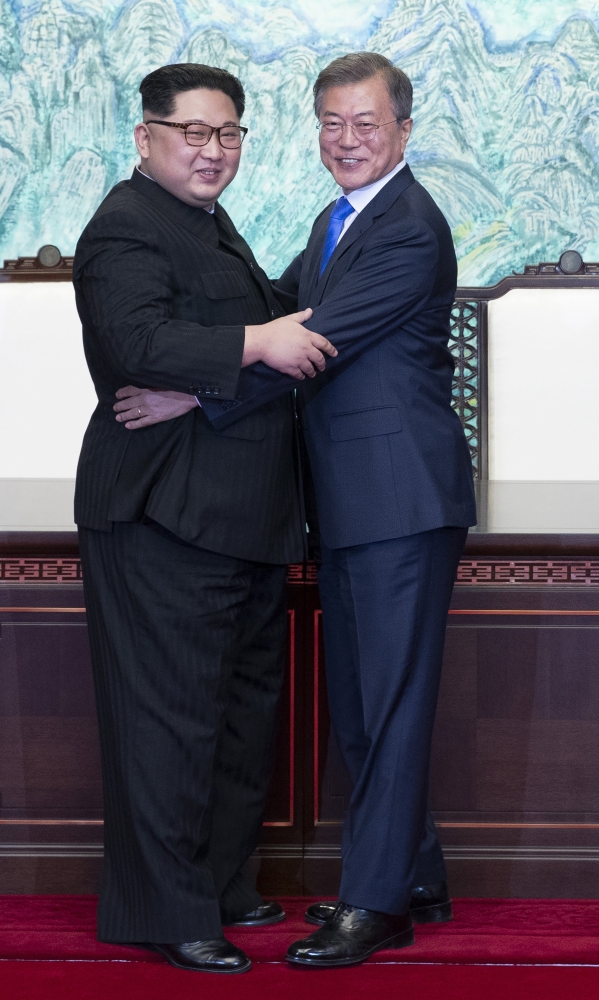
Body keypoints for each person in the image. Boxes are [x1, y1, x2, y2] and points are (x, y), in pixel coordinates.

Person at [125, 52, 477, 969]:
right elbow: (275, 307)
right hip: (354, 501)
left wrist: (188, 394)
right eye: (330, 122)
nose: (345, 140)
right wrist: (200, 342)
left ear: (403, 129)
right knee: (364, 706)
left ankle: (376, 904)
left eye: (365, 124)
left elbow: (312, 344)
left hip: (399, 496)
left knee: (387, 703)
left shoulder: (405, 225)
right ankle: (413, 875)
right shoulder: (336, 217)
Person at [72, 62, 336, 975]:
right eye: (192, 132)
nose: (211, 150)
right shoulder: (124, 226)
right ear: (146, 139)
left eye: (227, 134)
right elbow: (137, 344)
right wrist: (259, 342)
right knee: (169, 721)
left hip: (242, 517)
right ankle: (167, 910)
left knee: (236, 714)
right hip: (162, 517)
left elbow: (242, 351)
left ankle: (222, 883)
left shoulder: (206, 225)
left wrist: (207, 385)